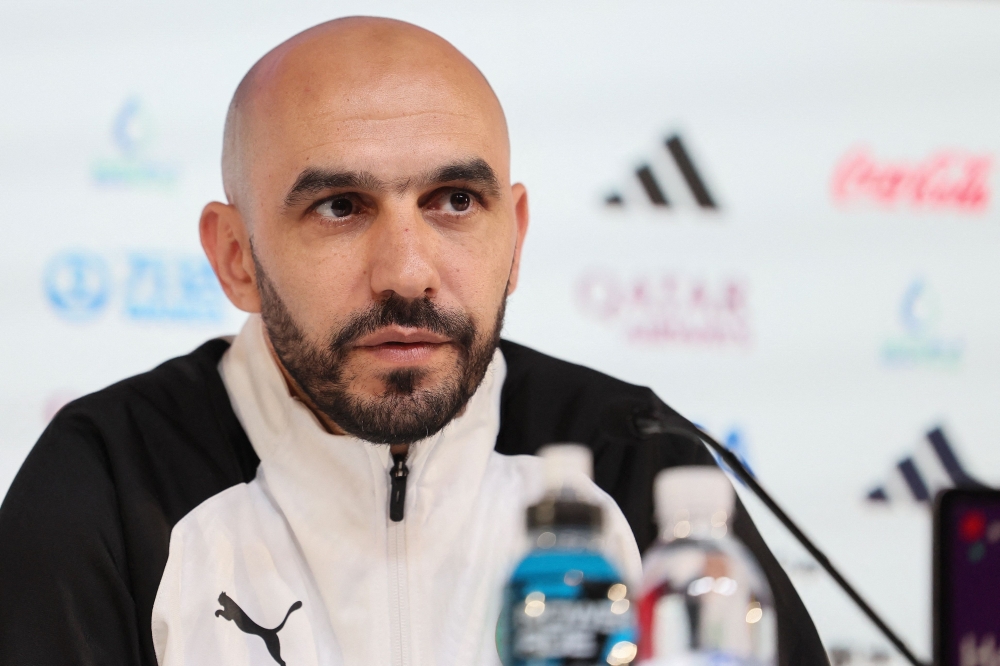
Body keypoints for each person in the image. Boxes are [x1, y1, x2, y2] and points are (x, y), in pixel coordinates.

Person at [0, 17, 827, 666]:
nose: (405, 272)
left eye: (455, 201)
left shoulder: (633, 460)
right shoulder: (108, 481)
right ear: (235, 257)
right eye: (340, 207)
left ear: (516, 238)